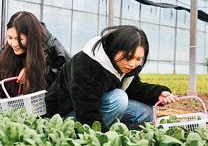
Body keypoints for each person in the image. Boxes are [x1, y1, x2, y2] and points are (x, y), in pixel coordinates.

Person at [45, 25, 179, 131]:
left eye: (139, 59)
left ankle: (116, 129)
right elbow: (86, 110)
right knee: (119, 98)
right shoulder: (88, 66)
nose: (133, 64)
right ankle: (95, 132)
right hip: (66, 114)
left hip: (95, 107)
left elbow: (134, 88)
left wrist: (158, 93)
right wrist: (105, 139)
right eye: (128, 57)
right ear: (115, 49)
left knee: (146, 112)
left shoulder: (123, 66)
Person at [0, 11, 70, 101]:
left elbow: (65, 77)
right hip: (16, 108)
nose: (14, 44)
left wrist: (33, 70)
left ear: (31, 37)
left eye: (19, 39)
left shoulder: (50, 46)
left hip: (48, 107)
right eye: (10, 38)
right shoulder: (8, 51)